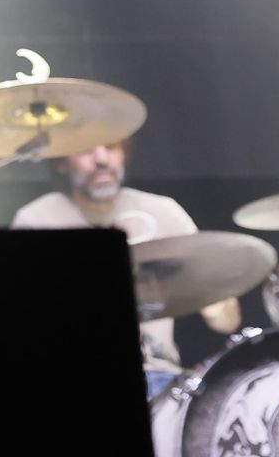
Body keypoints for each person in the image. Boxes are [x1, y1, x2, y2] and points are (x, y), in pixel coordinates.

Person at [12, 139, 243, 395]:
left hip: (159, 376)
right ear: (61, 163)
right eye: (85, 149)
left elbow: (226, 323)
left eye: (111, 147)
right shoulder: (36, 219)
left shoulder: (162, 211)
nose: (101, 159)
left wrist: (214, 302)